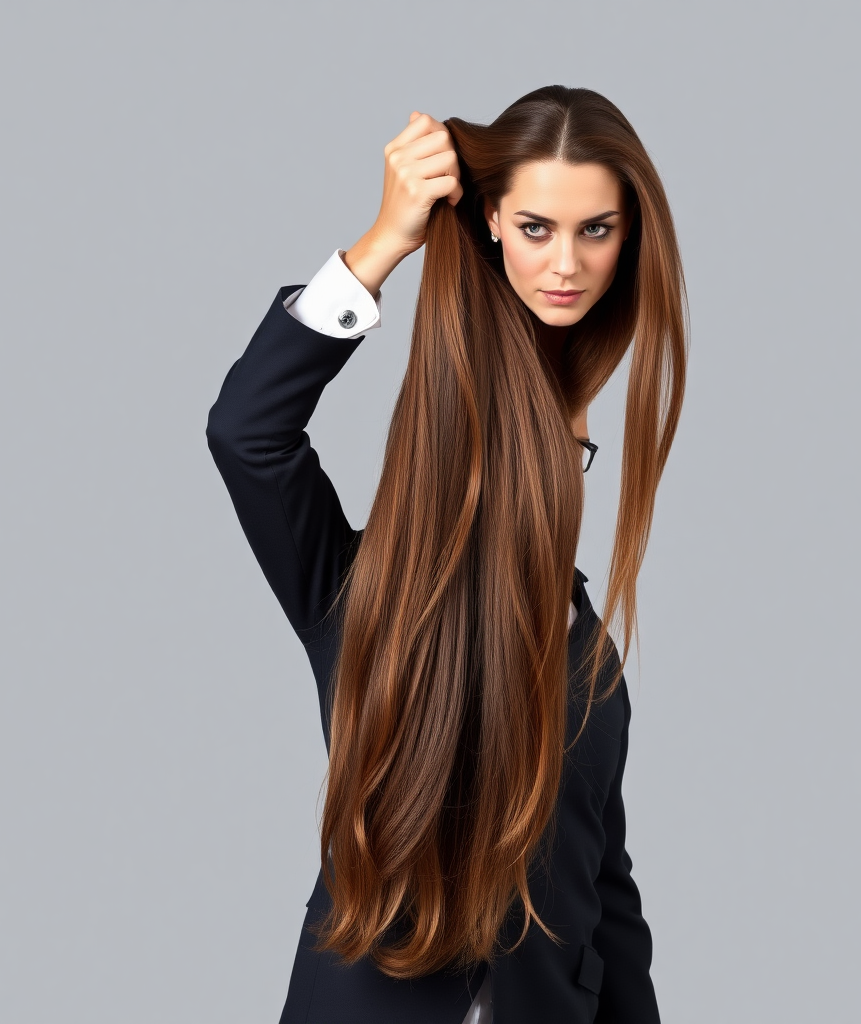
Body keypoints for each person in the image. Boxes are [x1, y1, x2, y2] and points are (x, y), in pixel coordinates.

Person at [207, 84, 686, 1024]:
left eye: (598, 231)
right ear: (497, 223)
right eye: (538, 228)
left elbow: (608, 903)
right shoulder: (356, 596)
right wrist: (382, 244)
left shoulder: (596, 667)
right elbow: (248, 433)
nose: (567, 263)